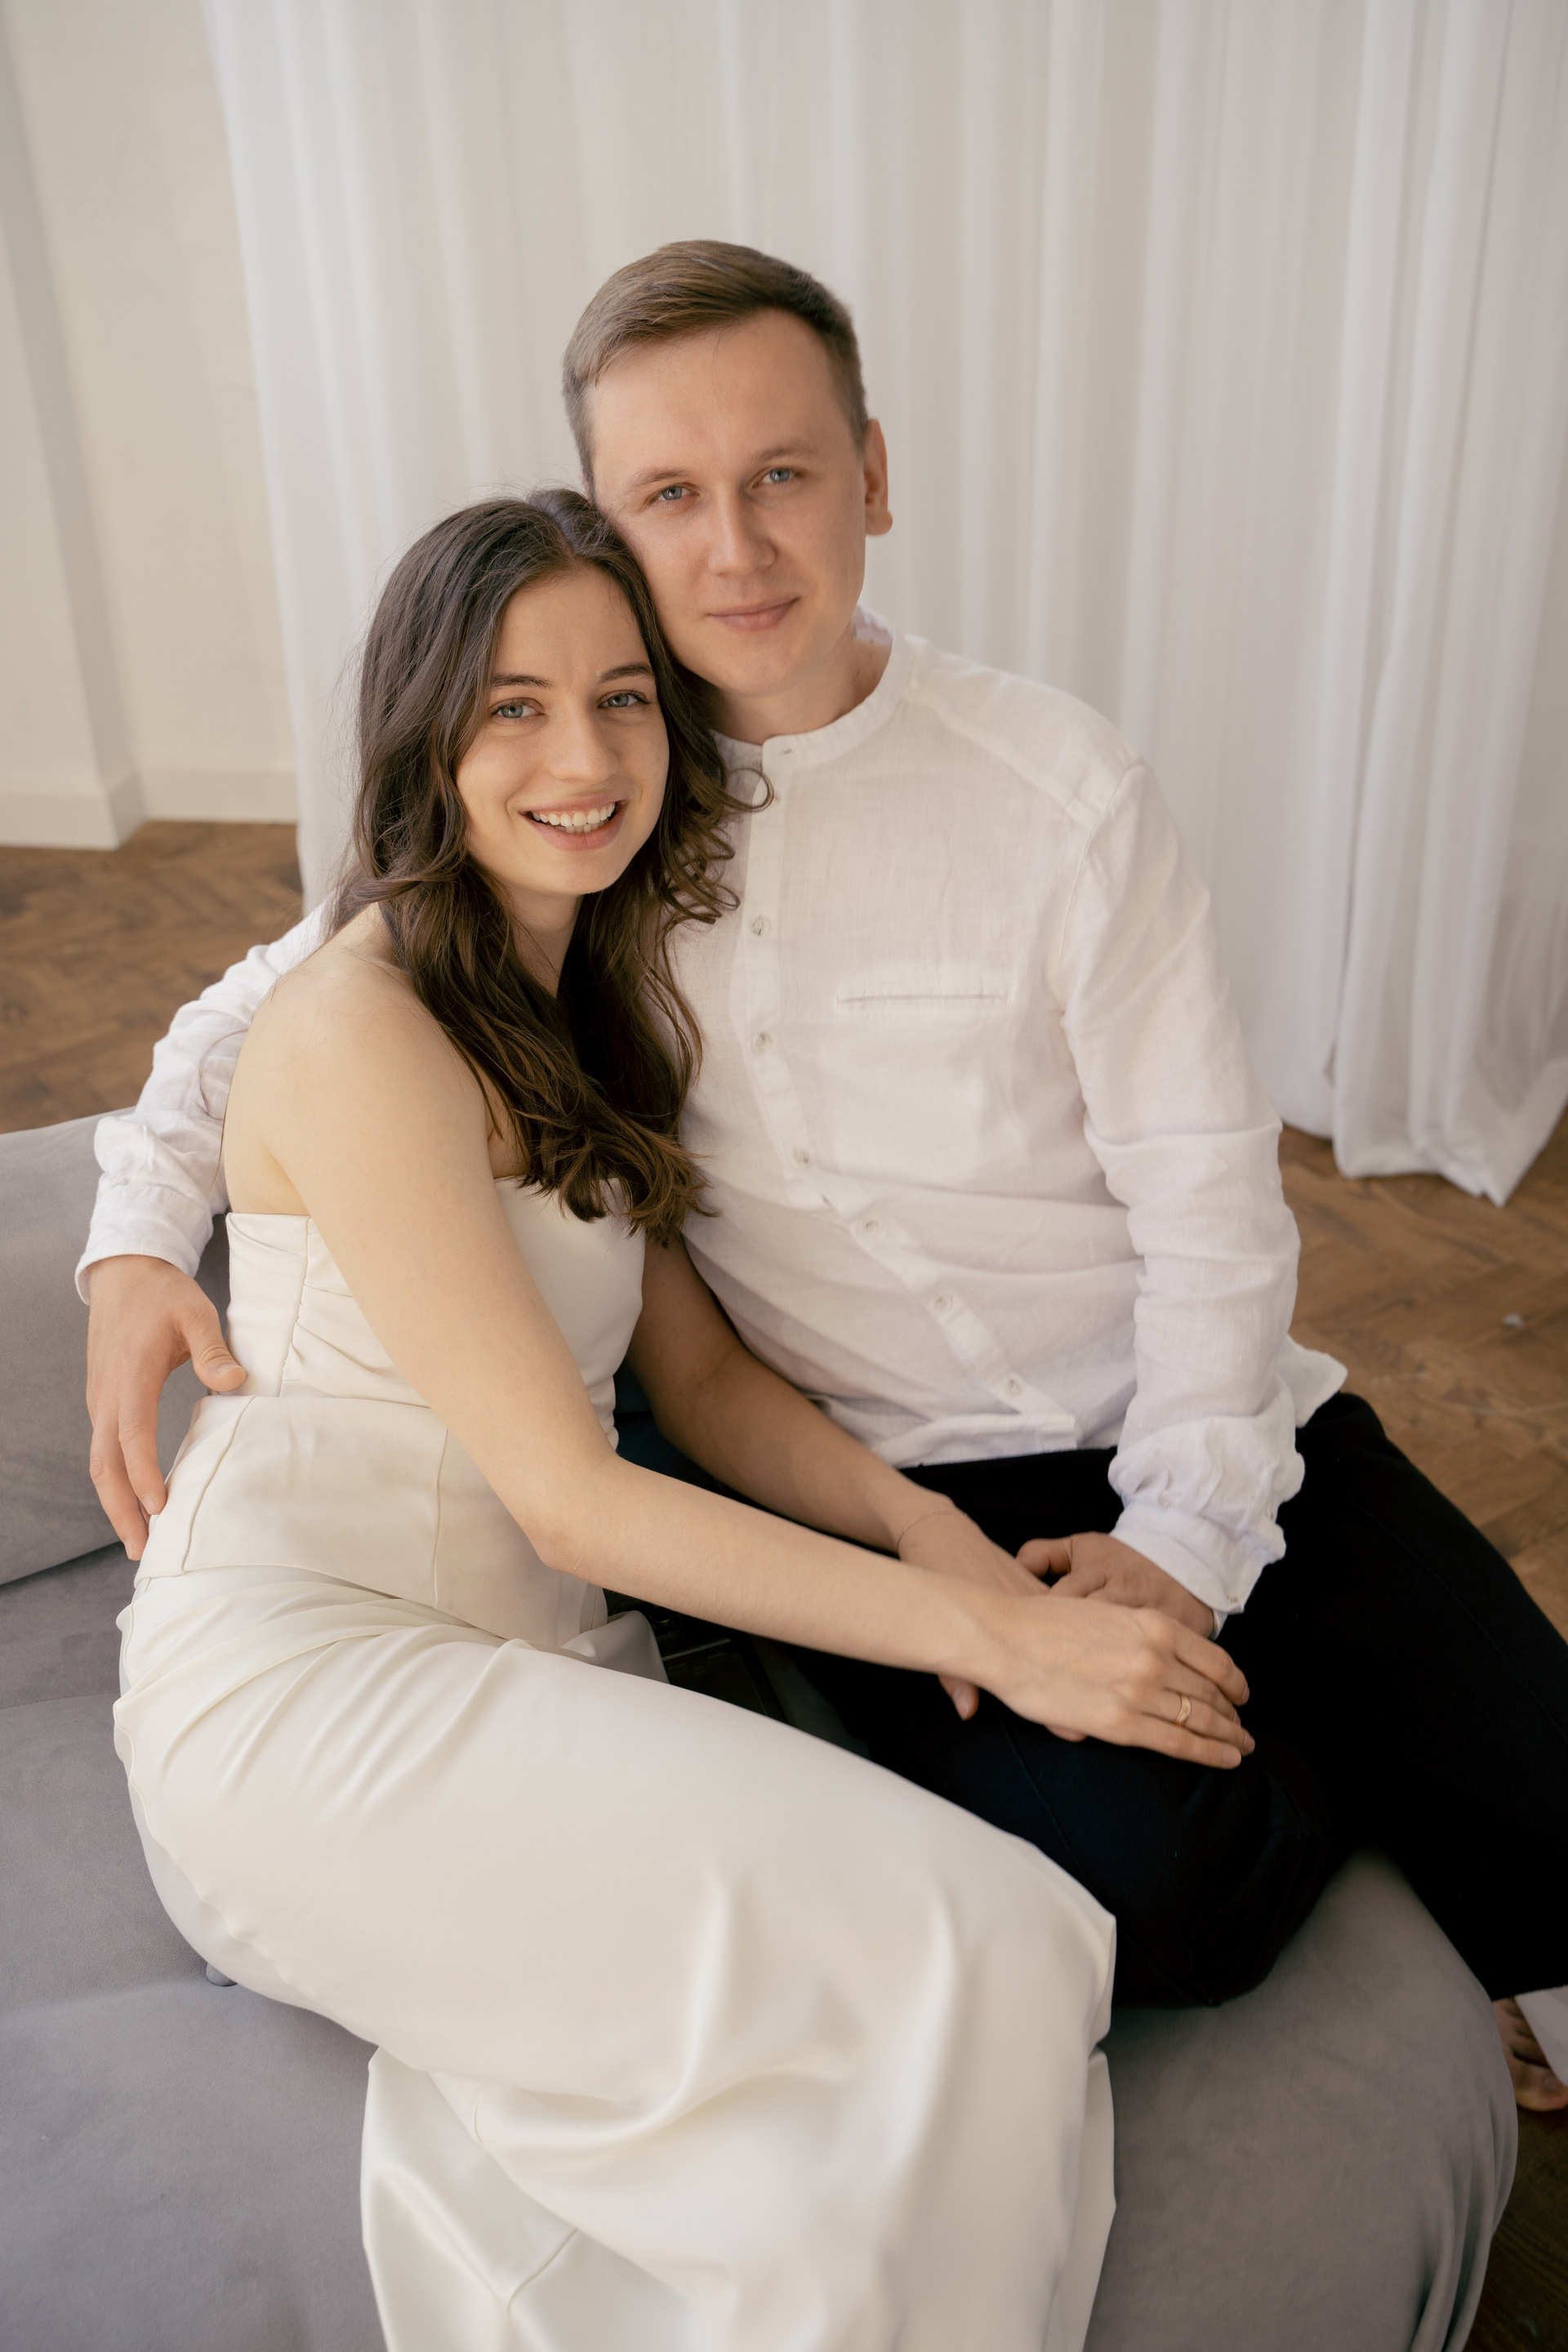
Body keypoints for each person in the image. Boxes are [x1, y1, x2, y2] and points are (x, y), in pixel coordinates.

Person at [87, 243, 1567, 2105]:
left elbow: (1212, 1207)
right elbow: (289, 999)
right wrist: (134, 1238)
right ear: (612, 527)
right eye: (671, 496)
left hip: (1171, 1398)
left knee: (1537, 1774)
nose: (737, 548)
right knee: (1172, 1893)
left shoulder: (1056, 788)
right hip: (869, 1463)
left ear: (872, 474)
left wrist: (1187, 1549)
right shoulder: (585, 813)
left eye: (782, 473)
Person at [114, 488, 1234, 2350]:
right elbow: (573, 1496)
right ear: (424, 735)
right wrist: (994, 1638)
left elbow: (699, 1383)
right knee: (977, 1939)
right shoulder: (360, 1023)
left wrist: (924, 1526)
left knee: (1002, 1944)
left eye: (622, 698)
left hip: (514, 1662)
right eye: (516, 708)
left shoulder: (586, 1004)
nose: (584, 757)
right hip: (303, 1683)